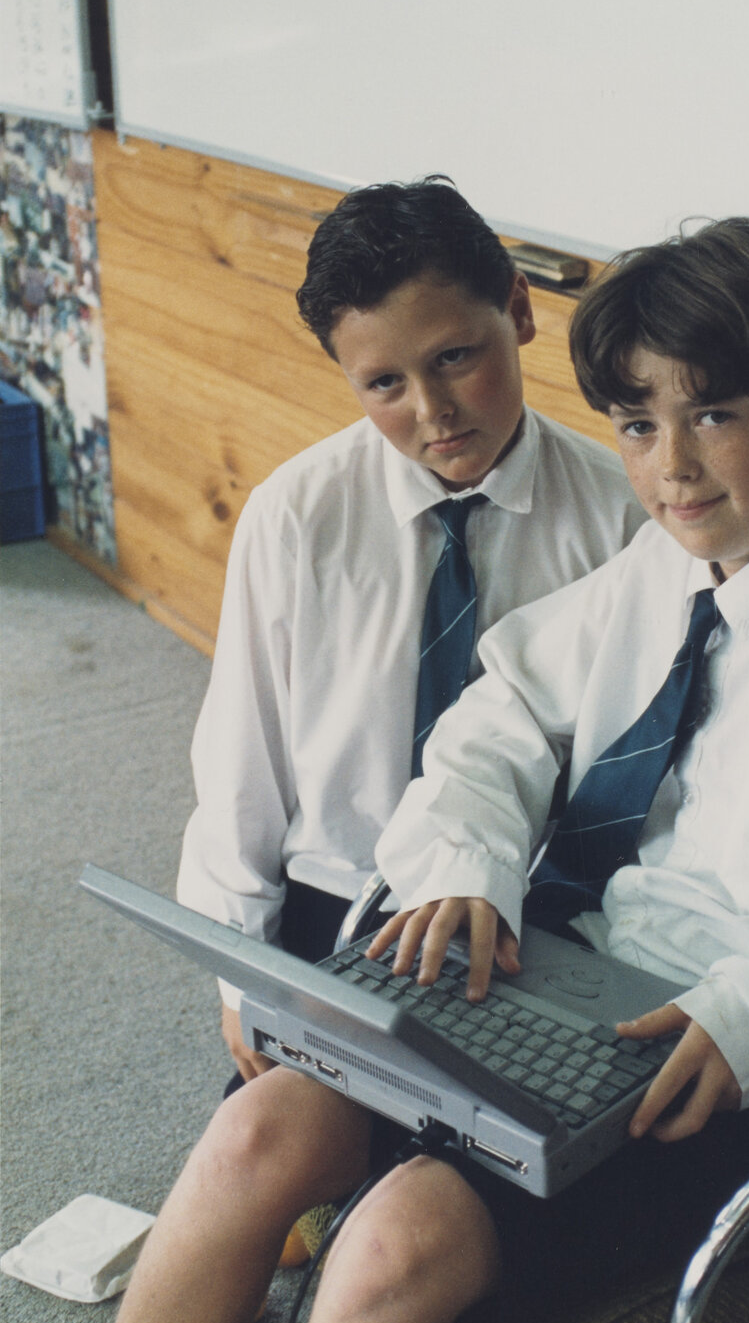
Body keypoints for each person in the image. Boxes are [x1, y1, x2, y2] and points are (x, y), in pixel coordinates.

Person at [109, 217, 749, 1323]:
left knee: (388, 1246)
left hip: (723, 1058)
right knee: (257, 1134)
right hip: (565, 982)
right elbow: (500, 712)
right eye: (637, 426)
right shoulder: (654, 569)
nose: (670, 465)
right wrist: (470, 866)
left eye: (714, 415)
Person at [174, 176, 645, 1085]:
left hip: (524, 917)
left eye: (456, 357)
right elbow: (243, 765)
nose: (433, 410)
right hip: (338, 898)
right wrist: (242, 971)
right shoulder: (296, 516)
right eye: (385, 382)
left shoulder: (621, 520)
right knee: (257, 1158)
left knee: (452, 1183)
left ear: (518, 309)